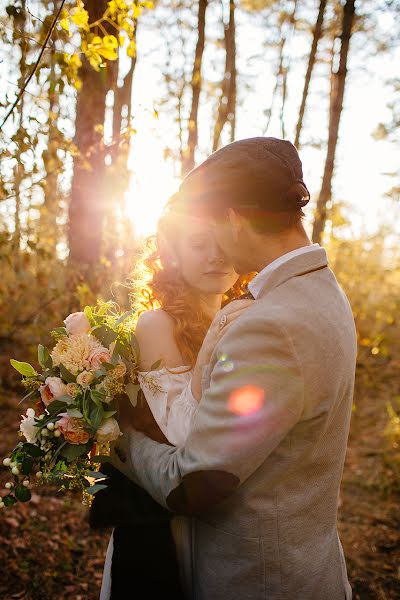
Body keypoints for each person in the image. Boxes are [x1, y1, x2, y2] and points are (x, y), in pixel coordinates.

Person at [111, 136, 357, 599]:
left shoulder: (270, 324)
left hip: (260, 579)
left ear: (233, 217)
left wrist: (113, 437)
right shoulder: (325, 293)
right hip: (310, 562)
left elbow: (195, 482)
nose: (216, 251)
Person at [92, 196, 253, 599]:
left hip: (222, 518)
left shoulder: (244, 317)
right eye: (200, 244)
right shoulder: (156, 324)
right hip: (166, 519)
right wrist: (217, 336)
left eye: (223, 244)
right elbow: (185, 432)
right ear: (173, 253)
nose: (216, 257)